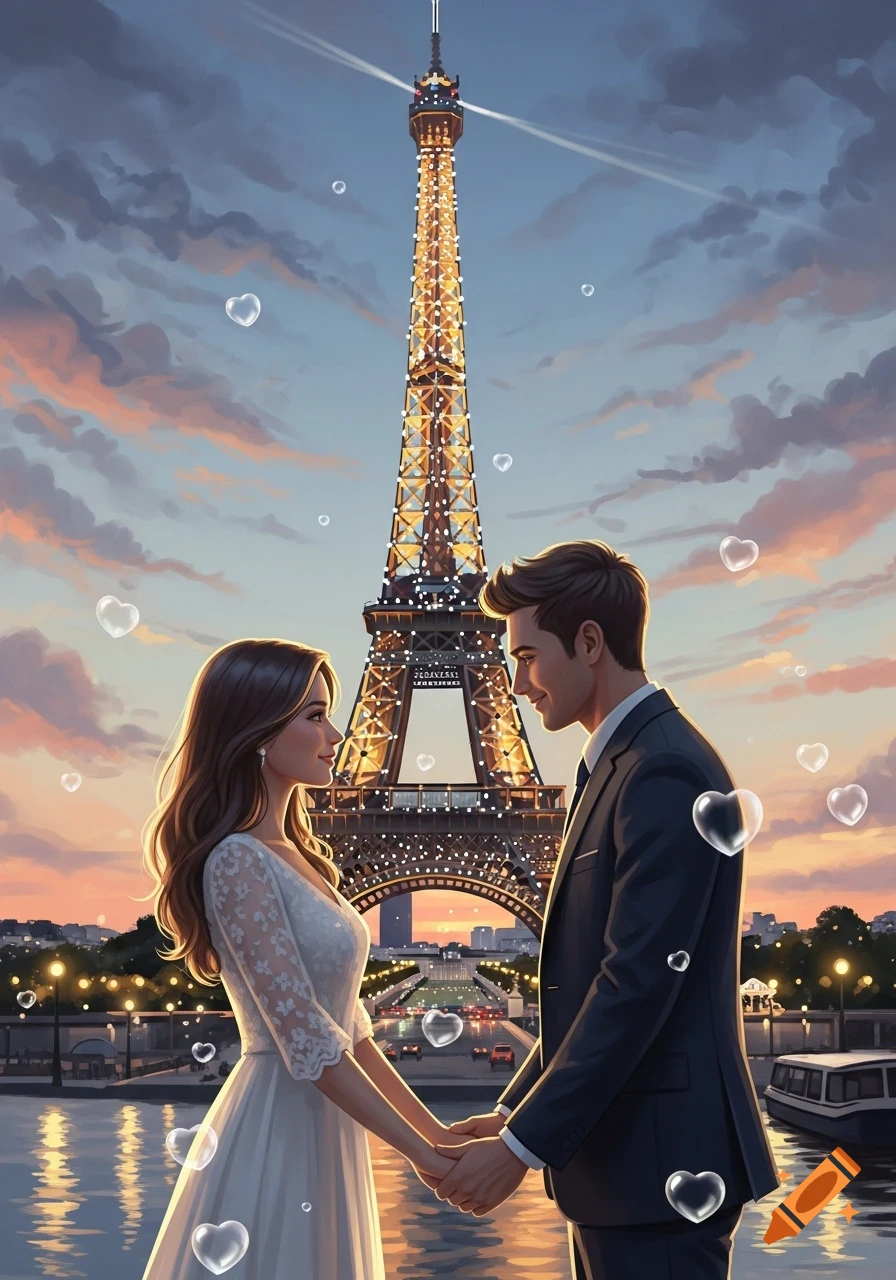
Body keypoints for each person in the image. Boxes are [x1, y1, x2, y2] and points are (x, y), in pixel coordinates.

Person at [429, 541, 780, 1280]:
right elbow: (598, 987)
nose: (516, 683)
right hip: (629, 1169)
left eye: (528, 656)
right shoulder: (625, 765)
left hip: (657, 1169)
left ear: (589, 642)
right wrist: (515, 1114)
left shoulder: (662, 770)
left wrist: (520, 1148)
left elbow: (635, 984)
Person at [138, 638, 465, 1280]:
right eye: (314, 716)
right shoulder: (237, 859)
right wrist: (421, 1153)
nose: (336, 734)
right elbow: (306, 1038)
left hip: (320, 1119)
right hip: (281, 1125)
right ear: (259, 731)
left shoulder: (302, 858)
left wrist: (436, 1135)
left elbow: (347, 1027)